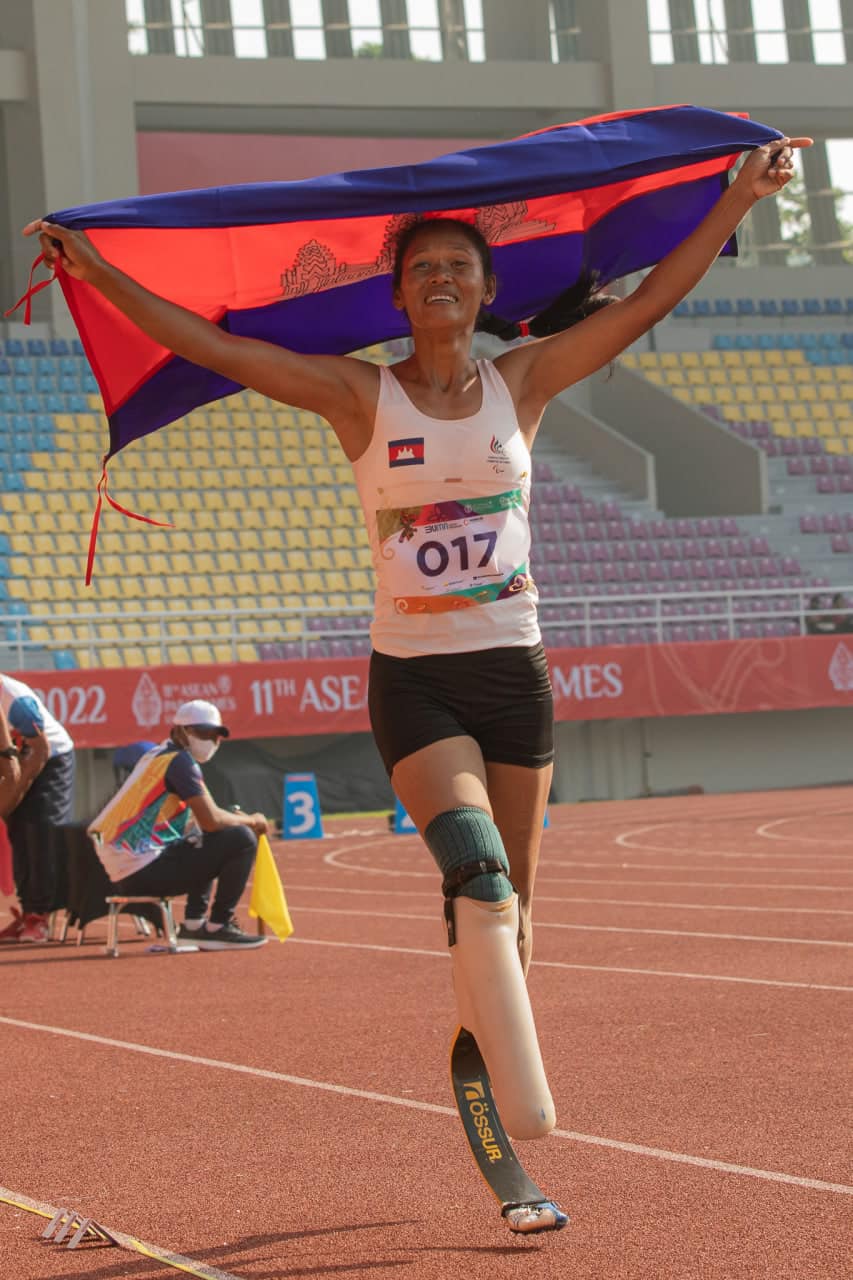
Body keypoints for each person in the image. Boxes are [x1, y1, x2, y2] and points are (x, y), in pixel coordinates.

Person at [27, 133, 808, 1227]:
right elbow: (210, 344)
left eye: (458, 266)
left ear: (488, 289)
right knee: (477, 871)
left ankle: (499, 1116)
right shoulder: (357, 397)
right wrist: (99, 275)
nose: (440, 279)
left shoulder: (524, 381)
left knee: (515, 915)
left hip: (515, 673)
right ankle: (511, 1088)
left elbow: (640, 309)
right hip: (418, 682)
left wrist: (735, 200)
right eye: (420, 268)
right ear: (395, 293)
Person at [87, 700, 269, 950]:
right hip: (141, 869)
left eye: (216, 736)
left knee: (203, 836)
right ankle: (219, 926)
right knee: (241, 839)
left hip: (128, 868)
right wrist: (252, 820)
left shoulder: (159, 755)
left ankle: (194, 927)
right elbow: (212, 820)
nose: (211, 741)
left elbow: (205, 821)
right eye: (203, 733)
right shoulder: (179, 762)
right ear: (180, 731)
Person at [0, 675, 74, 944]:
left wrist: (16, 791)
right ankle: (27, 911)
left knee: (39, 828)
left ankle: (39, 916)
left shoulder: (16, 701)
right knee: (16, 831)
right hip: (16, 758)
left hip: (51, 757)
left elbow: (41, 751)